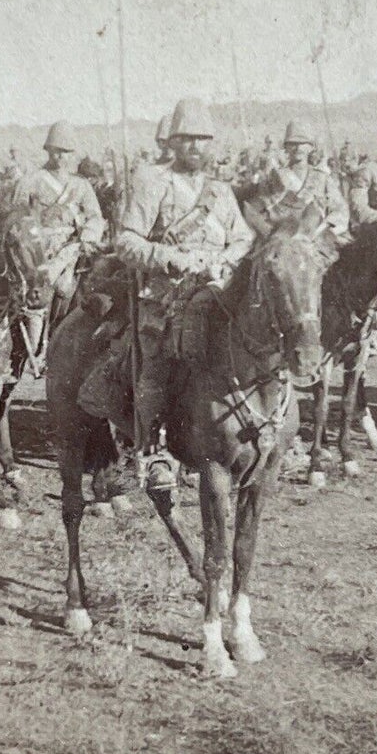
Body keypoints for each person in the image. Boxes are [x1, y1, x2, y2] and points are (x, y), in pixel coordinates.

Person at [79, 96, 253, 492]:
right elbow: (126, 240)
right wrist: (169, 257)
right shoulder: (151, 181)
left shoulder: (221, 191)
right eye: (187, 139)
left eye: (202, 139)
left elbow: (243, 237)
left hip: (217, 290)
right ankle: (153, 447)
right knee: (155, 360)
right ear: (172, 143)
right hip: (164, 295)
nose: (195, 146)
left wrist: (224, 259)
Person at [10, 120, 105, 299]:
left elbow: (95, 217)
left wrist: (87, 237)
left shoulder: (81, 185)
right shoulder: (30, 181)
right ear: (48, 150)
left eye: (66, 152)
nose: (61, 157)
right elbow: (16, 218)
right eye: (57, 151)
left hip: (74, 248)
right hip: (38, 249)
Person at [241, 118, 348, 240]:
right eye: (293, 143)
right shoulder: (273, 177)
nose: (298, 148)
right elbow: (256, 210)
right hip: (279, 238)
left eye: (303, 143)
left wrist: (321, 230)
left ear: (311, 147)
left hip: (314, 238)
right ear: (285, 147)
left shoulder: (322, 178)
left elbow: (341, 210)